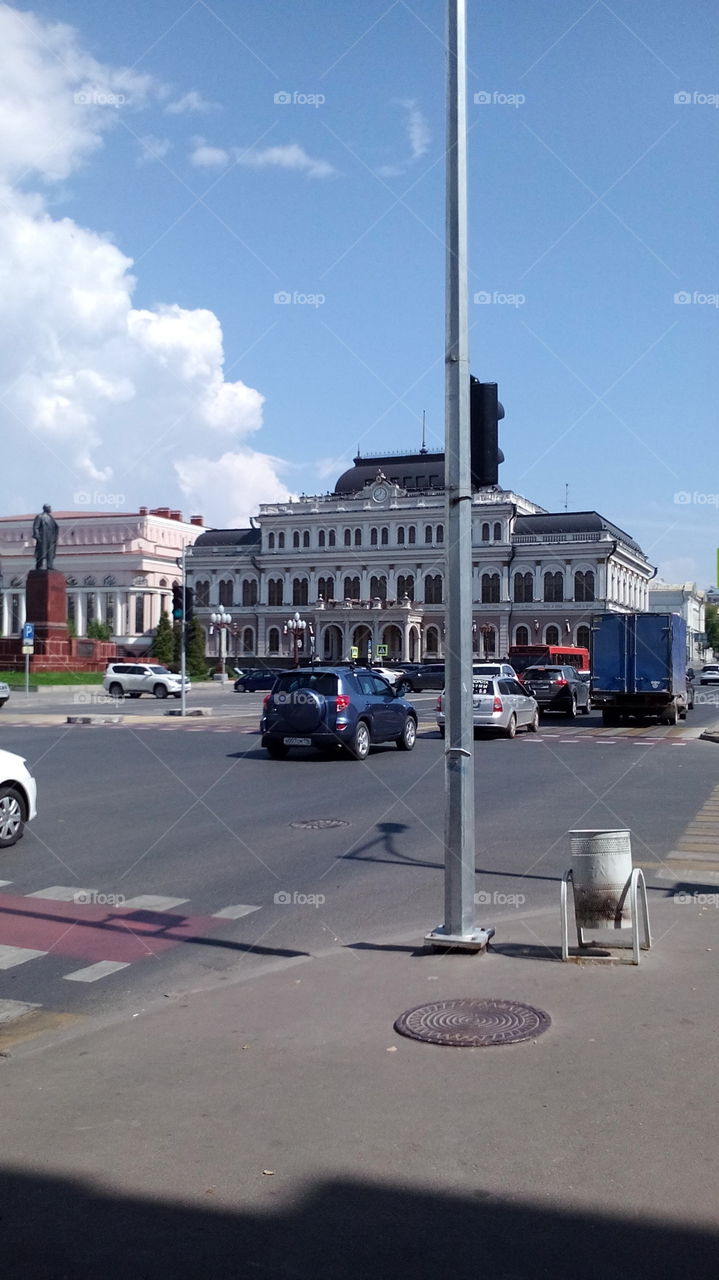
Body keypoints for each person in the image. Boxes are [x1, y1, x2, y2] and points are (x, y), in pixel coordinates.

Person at [32, 504, 59, 570]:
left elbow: (55, 528)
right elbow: (36, 527)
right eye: (49, 507)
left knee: (50, 553)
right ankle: (39, 566)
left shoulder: (51, 518)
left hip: (51, 538)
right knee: (41, 553)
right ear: (46, 508)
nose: (51, 509)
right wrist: (37, 536)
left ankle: (50, 566)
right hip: (43, 538)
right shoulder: (40, 516)